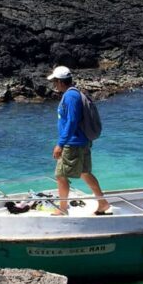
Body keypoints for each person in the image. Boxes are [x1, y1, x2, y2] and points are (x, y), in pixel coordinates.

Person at [47, 65, 111, 215]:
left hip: (72, 143)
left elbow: (72, 121)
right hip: (81, 142)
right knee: (85, 173)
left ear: (61, 82)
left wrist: (60, 144)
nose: (54, 85)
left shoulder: (70, 96)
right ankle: (102, 203)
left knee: (60, 175)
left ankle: (62, 209)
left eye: (55, 82)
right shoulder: (75, 93)